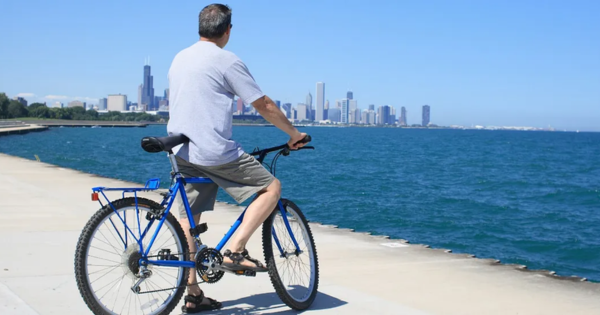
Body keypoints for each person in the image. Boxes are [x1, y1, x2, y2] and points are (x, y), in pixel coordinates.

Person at [166, 3, 308, 313]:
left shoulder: (179, 58)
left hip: (181, 150)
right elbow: (264, 105)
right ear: (228, 30)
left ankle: (193, 294)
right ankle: (236, 249)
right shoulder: (227, 60)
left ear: (200, 27)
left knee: (190, 222)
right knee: (271, 187)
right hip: (213, 151)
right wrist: (293, 134)